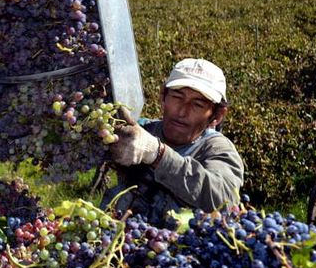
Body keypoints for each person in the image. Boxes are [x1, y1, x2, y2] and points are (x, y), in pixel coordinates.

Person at [103, 58, 244, 226]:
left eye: (198, 105)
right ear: (163, 96)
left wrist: (158, 154)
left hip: (176, 248)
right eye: (177, 97)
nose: (182, 111)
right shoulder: (141, 131)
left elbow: (225, 201)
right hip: (118, 241)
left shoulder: (217, 149)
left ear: (217, 115)